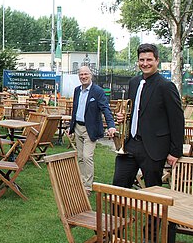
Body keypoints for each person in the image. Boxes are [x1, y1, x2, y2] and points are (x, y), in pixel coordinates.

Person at [113, 43, 184, 242]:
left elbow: (177, 119)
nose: (145, 63)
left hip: (154, 149)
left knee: (155, 195)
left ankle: (152, 236)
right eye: (142, 60)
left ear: (157, 61)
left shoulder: (165, 86)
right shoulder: (134, 82)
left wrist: (175, 152)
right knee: (118, 187)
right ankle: (115, 232)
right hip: (131, 145)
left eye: (149, 60)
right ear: (138, 61)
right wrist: (122, 117)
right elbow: (135, 111)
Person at [69, 66, 116, 195]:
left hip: (90, 129)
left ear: (91, 75)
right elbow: (75, 109)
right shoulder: (77, 90)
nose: (83, 77)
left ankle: (87, 187)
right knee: (79, 157)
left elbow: (105, 108)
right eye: (81, 74)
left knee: (87, 157)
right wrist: (71, 126)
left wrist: (111, 125)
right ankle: (82, 182)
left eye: (86, 74)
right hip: (77, 127)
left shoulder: (98, 91)